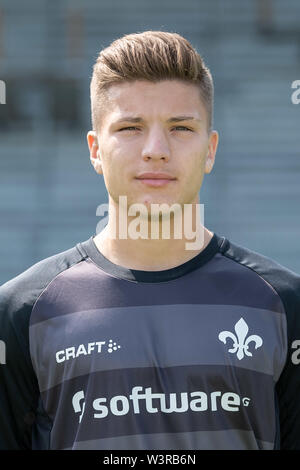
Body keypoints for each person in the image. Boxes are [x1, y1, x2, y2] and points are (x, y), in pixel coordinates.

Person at [0, 30, 300, 451]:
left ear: (210, 149)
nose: (156, 149)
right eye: (130, 127)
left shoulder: (285, 304)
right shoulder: (20, 313)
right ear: (95, 150)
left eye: (180, 127)